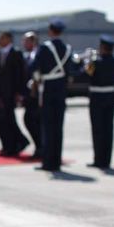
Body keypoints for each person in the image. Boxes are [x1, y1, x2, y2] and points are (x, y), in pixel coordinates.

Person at [30, 18, 73, 171]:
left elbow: (34, 67)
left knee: (48, 127)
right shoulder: (67, 49)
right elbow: (70, 71)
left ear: (50, 30)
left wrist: (37, 79)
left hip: (48, 88)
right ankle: (56, 161)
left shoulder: (45, 47)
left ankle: (48, 162)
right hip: (61, 89)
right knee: (58, 127)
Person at [85, 35, 114, 169]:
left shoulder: (95, 62)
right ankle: (107, 160)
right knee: (108, 129)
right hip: (110, 97)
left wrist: (88, 61)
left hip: (96, 97)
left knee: (97, 130)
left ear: (102, 47)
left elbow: (84, 74)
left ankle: (98, 160)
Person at [0, 31, 29, 156]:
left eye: (2, 38)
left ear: (8, 39)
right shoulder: (0, 53)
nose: (0, 41)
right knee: (3, 120)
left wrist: (19, 92)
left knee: (9, 119)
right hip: (1, 93)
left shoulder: (16, 53)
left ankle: (18, 143)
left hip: (11, 93)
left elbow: (21, 74)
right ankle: (9, 145)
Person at [22, 31, 42, 158]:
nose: (24, 43)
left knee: (33, 120)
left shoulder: (38, 54)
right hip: (29, 95)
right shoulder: (28, 55)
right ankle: (39, 146)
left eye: (26, 41)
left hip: (37, 95)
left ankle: (41, 147)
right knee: (29, 120)